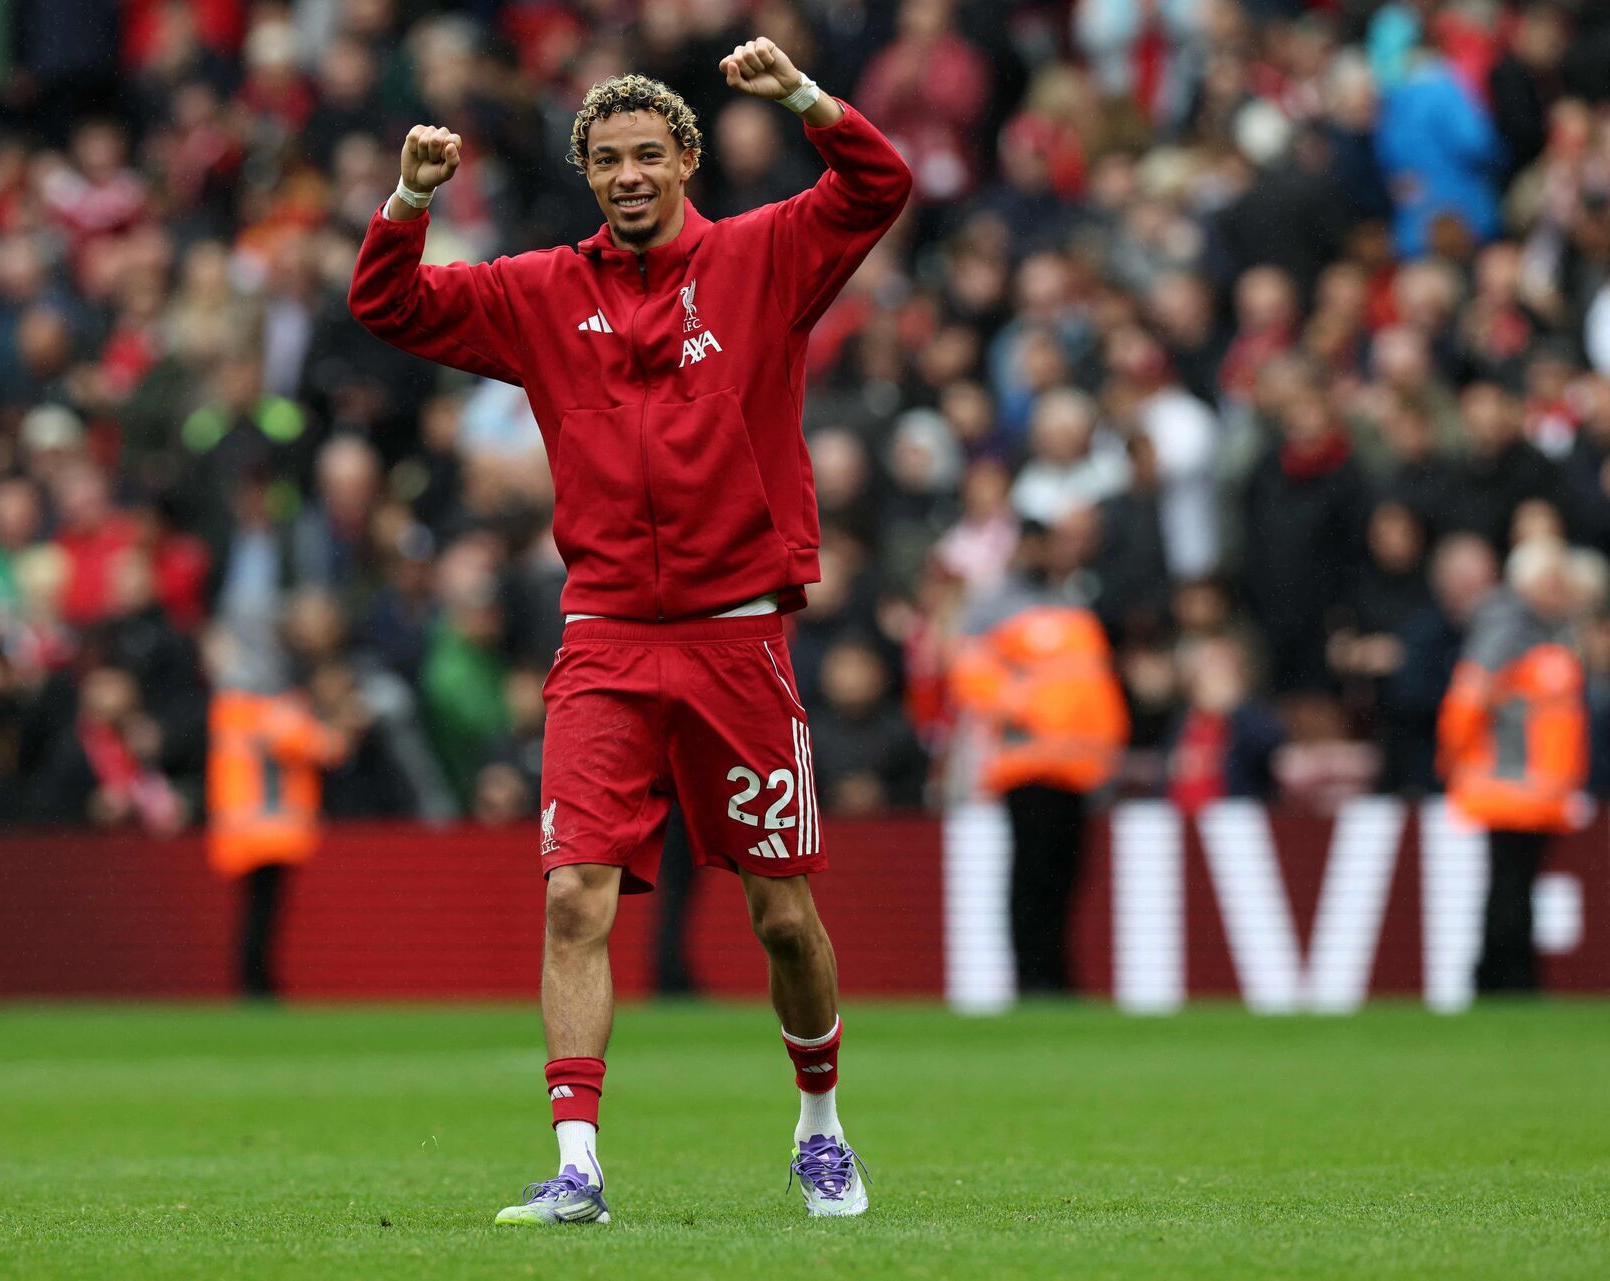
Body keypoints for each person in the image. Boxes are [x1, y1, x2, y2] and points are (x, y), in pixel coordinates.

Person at [349, 37, 911, 1223]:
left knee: (782, 912)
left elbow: (879, 186)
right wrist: (410, 195)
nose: (630, 174)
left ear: (689, 158)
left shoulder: (765, 257)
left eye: (650, 153)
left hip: (737, 638)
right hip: (604, 636)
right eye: (608, 159)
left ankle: (820, 1121)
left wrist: (804, 97)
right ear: (588, 173)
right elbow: (386, 302)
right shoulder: (543, 292)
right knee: (571, 898)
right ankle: (578, 1165)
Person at [949, 516, 1128, 996]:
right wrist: (1020, 708)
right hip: (1027, 762)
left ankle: (1057, 975)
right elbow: (969, 669)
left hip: (1078, 765)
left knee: (1067, 877)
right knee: (1032, 875)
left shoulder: (1075, 602)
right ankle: (1031, 977)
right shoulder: (995, 606)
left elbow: (1091, 682)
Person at [1438, 537, 1589, 995]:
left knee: (1517, 885)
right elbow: (1467, 702)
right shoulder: (1507, 630)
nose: (1560, 590)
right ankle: (1505, 979)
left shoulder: (1551, 629)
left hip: (1540, 789)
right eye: (1551, 581)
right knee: (1510, 886)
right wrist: (1458, 759)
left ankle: (1506, 975)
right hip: (1507, 785)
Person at [204, 613, 351, 998]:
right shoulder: (271, 709)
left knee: (256, 909)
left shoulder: (229, 709)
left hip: (240, 827)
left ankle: (254, 981)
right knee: (264, 911)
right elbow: (326, 747)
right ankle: (257, 983)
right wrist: (345, 718)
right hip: (270, 828)